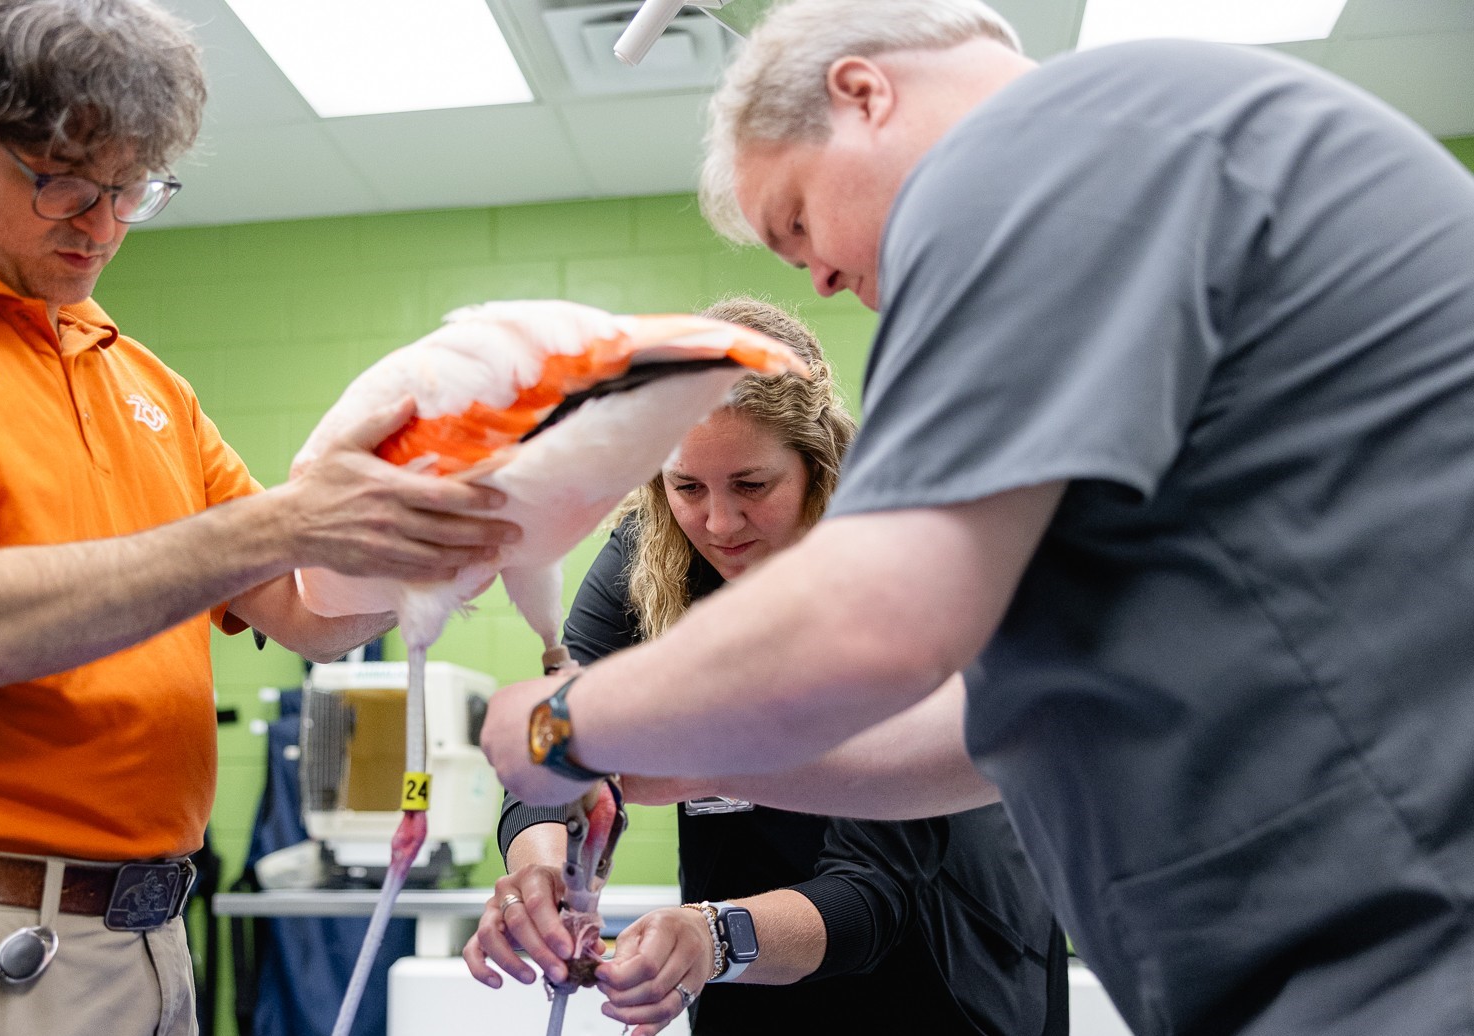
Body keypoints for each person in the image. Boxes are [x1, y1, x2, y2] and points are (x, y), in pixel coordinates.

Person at [479, 0, 1474, 1034]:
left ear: (862, 95)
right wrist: (694, 760)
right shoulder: (1125, 194)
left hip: (1388, 939)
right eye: (687, 489)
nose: (818, 276)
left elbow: (880, 626)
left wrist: (563, 723)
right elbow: (984, 727)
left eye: (799, 223)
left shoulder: (1044, 159)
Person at [0, 2, 513, 1034]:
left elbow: (308, 613)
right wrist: (289, 521)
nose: (100, 225)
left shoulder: (142, 381)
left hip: (145, 941)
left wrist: (443, 543)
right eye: (61, 181)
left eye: (131, 187)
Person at [464, 299, 1065, 1036]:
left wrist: (711, 937)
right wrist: (540, 872)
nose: (718, 523)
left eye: (752, 485)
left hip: (941, 976)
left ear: (815, 465)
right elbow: (556, 748)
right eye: (687, 486)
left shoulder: (894, 564)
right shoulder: (648, 552)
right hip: (742, 965)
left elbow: (872, 895)